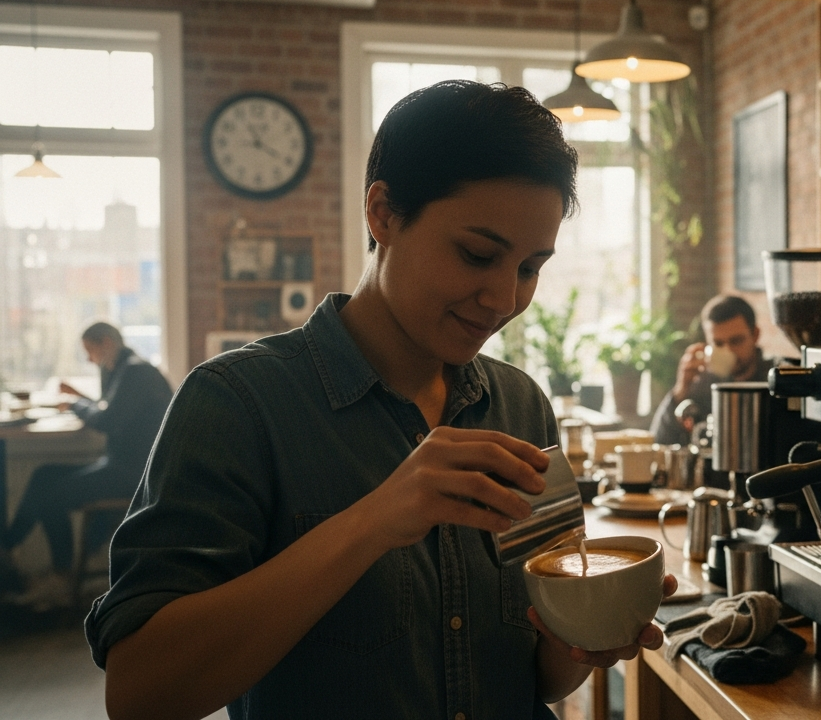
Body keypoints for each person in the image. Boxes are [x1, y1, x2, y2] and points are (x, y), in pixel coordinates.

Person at [85, 81, 674, 720]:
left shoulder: (520, 406)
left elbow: (542, 677)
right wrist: (375, 519)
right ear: (383, 213)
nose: (505, 299)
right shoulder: (236, 404)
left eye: (530, 268)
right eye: (478, 254)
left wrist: (587, 633)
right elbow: (139, 692)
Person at [0, 322, 172, 609]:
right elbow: (111, 408)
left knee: (51, 496)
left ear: (105, 342)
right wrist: (82, 396)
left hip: (133, 474)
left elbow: (108, 420)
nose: (90, 360)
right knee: (44, 474)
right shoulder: (121, 369)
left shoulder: (135, 370)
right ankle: (9, 545)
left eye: (90, 352)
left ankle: (60, 575)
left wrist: (73, 402)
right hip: (120, 465)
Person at [650, 294, 776, 446]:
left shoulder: (776, 379)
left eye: (736, 341)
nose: (729, 351)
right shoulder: (703, 383)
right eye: (718, 344)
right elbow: (659, 443)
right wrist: (681, 389)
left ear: (755, 335)